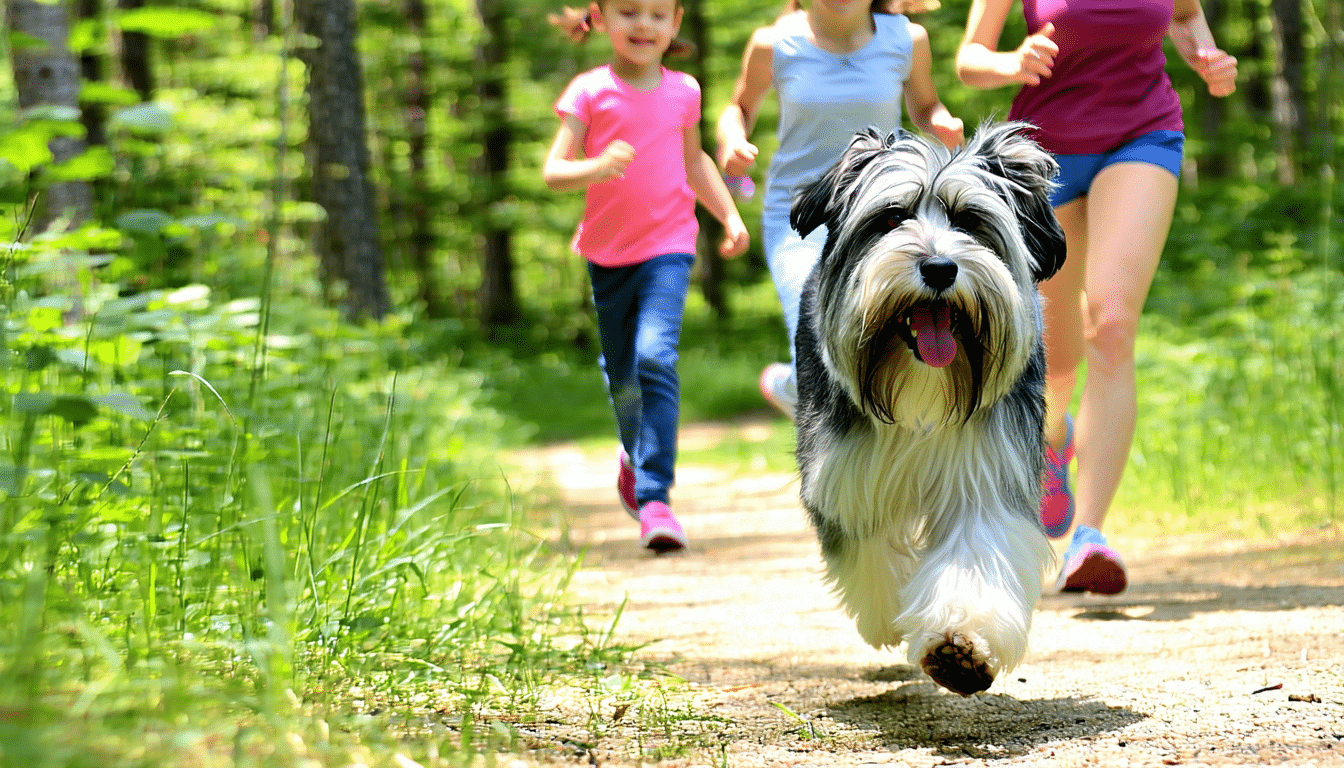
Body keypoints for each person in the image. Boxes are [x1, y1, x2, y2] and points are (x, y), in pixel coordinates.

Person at [956, 0, 1238, 593]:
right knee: (1052, 352)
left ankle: (1089, 536)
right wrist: (1013, 60)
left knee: (1110, 324)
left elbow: (1185, 18)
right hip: (1042, 152)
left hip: (1143, 133)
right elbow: (969, 61)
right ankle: (1052, 435)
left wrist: (1207, 59)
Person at [543, 0, 750, 553]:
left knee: (654, 356)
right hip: (607, 255)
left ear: (675, 24)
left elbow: (693, 161)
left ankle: (655, 497)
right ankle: (634, 450)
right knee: (621, 372)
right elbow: (554, 171)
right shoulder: (589, 91)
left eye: (658, 15)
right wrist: (596, 165)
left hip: (669, 247)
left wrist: (728, 215)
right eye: (629, 12)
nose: (644, 25)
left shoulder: (683, 90)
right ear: (602, 19)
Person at [716, 0, 965, 419]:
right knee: (813, 326)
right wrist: (732, 140)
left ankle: (832, 403)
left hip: (880, 215)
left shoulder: (906, 39)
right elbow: (738, 107)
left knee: (869, 331)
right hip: (799, 214)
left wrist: (939, 121)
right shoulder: (774, 43)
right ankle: (797, 387)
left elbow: (925, 105)